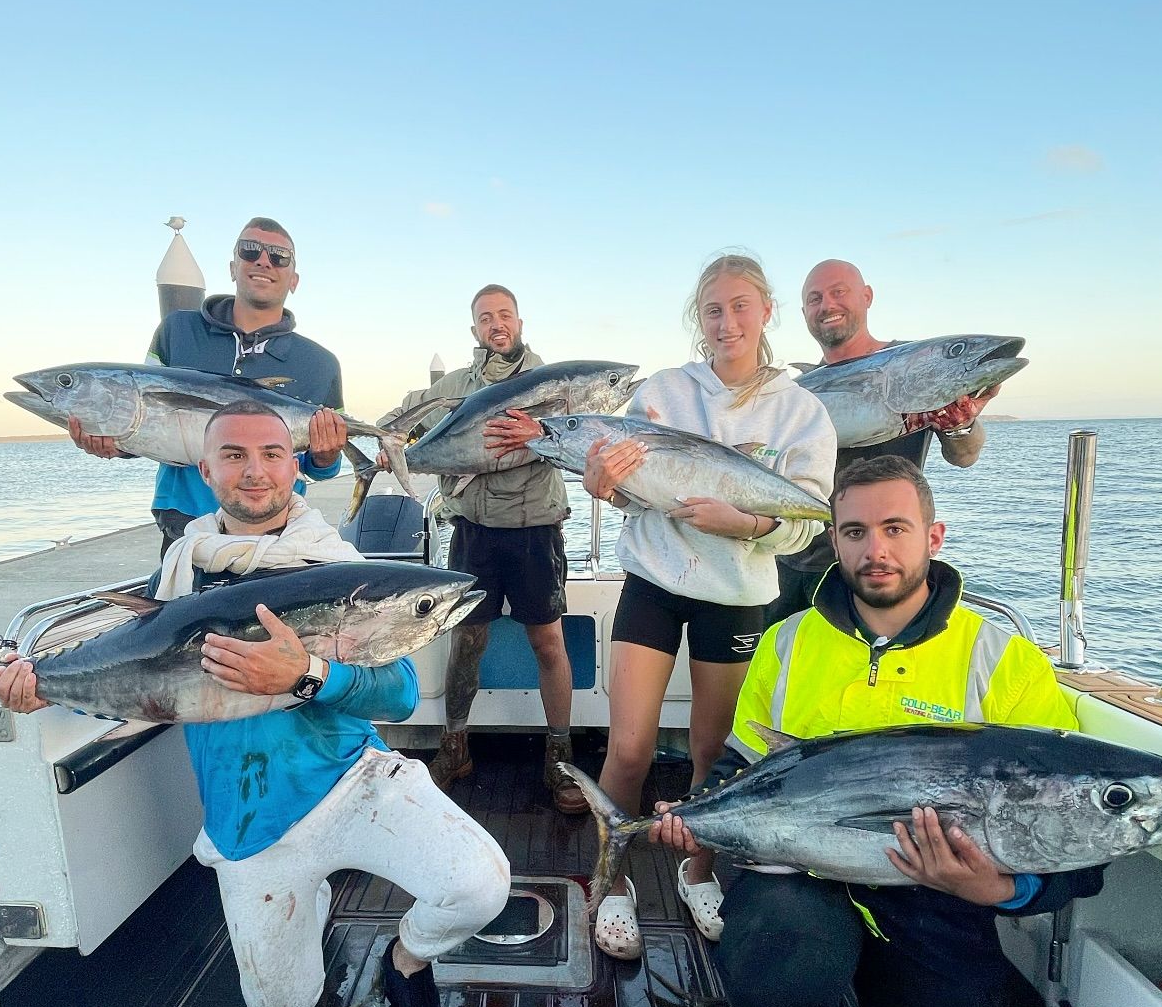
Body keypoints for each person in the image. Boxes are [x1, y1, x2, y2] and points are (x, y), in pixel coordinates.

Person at [0, 401, 510, 1007]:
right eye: (234, 455)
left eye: (271, 454)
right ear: (205, 470)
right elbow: (126, 669)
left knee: (480, 885)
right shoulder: (176, 576)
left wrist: (306, 675)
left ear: (296, 467)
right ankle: (307, 895)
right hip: (247, 818)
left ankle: (406, 960)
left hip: (351, 782)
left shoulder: (339, 568)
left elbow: (398, 696)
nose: (255, 471)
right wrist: (38, 688)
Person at [652, 455, 1103, 1007]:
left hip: (939, 908)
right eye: (856, 532)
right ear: (833, 539)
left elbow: (1069, 824)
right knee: (784, 965)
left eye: (895, 528)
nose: (876, 550)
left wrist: (1002, 888)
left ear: (933, 535)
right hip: (805, 883)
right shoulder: (788, 642)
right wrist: (699, 815)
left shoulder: (1001, 659)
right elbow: (742, 765)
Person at [581, 254, 836, 958]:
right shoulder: (662, 393)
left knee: (710, 752)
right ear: (699, 318)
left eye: (740, 307)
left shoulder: (801, 411)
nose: (727, 323)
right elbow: (634, 493)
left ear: (767, 311)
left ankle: (698, 872)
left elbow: (808, 521)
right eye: (713, 310)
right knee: (629, 748)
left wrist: (746, 524)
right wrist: (603, 484)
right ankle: (612, 883)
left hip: (737, 593)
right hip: (654, 583)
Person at [379, 284, 584, 814]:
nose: (497, 323)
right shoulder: (454, 388)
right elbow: (403, 416)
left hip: (536, 530)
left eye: (505, 314)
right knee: (467, 641)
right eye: (486, 317)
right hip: (474, 532)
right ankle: (455, 746)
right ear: (475, 329)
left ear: (520, 322)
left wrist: (541, 432)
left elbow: (576, 440)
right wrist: (388, 444)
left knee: (548, 642)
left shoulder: (553, 384)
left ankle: (560, 755)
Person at [69, 217, 349, 552]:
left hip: (274, 524)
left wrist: (326, 455)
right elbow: (144, 420)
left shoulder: (320, 364)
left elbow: (320, 469)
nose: (263, 261)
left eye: (279, 257)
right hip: (185, 520)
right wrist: (117, 443)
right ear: (233, 267)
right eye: (250, 250)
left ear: (294, 280)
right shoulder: (177, 331)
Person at [765, 258, 1009, 623]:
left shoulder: (915, 363)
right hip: (791, 552)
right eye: (815, 298)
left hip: (878, 561)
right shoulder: (789, 394)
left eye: (839, 292)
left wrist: (961, 423)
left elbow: (964, 456)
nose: (827, 305)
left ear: (867, 296)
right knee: (784, 655)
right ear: (804, 313)